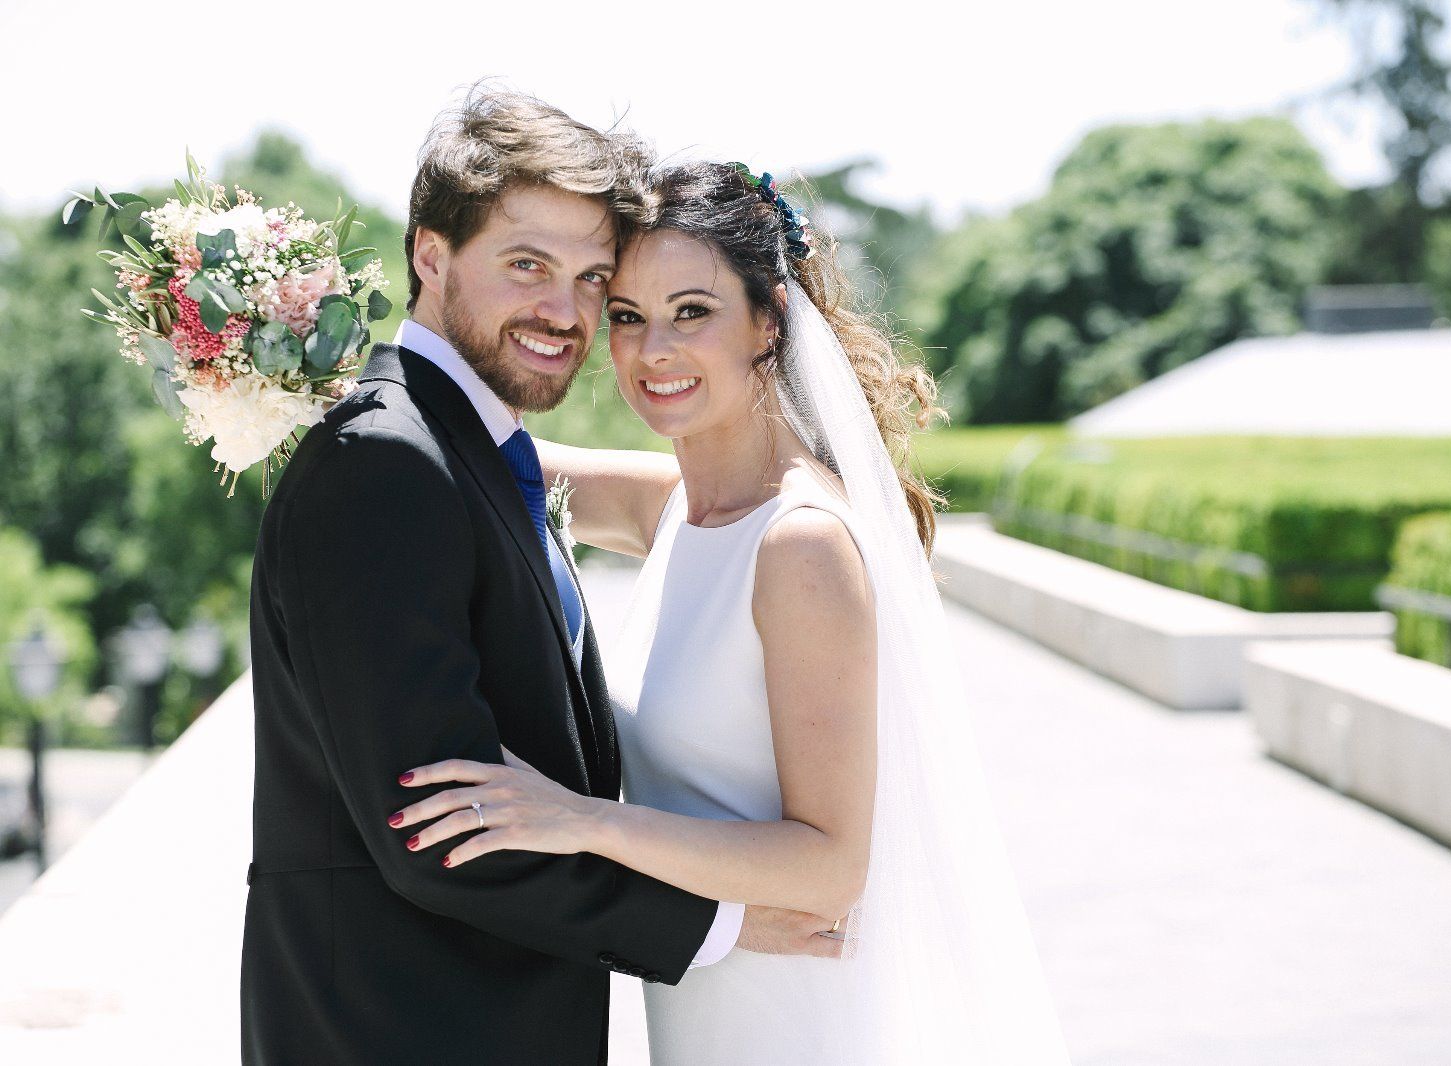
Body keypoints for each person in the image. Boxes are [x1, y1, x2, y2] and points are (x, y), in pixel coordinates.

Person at [391, 160, 1072, 1063]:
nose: (652, 352)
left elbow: (831, 867)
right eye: (627, 317)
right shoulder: (671, 504)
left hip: (793, 1016)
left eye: (692, 312)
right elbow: (464, 438)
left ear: (769, 321)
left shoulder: (800, 547)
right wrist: (268, 348)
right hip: (706, 1005)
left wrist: (575, 819)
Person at [242, 88, 827, 1066]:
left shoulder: (474, 446)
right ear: (431, 257)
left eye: (593, 278)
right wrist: (723, 923)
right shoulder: (386, 462)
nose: (564, 312)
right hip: (399, 1033)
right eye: (527, 267)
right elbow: (435, 826)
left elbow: (707, 500)